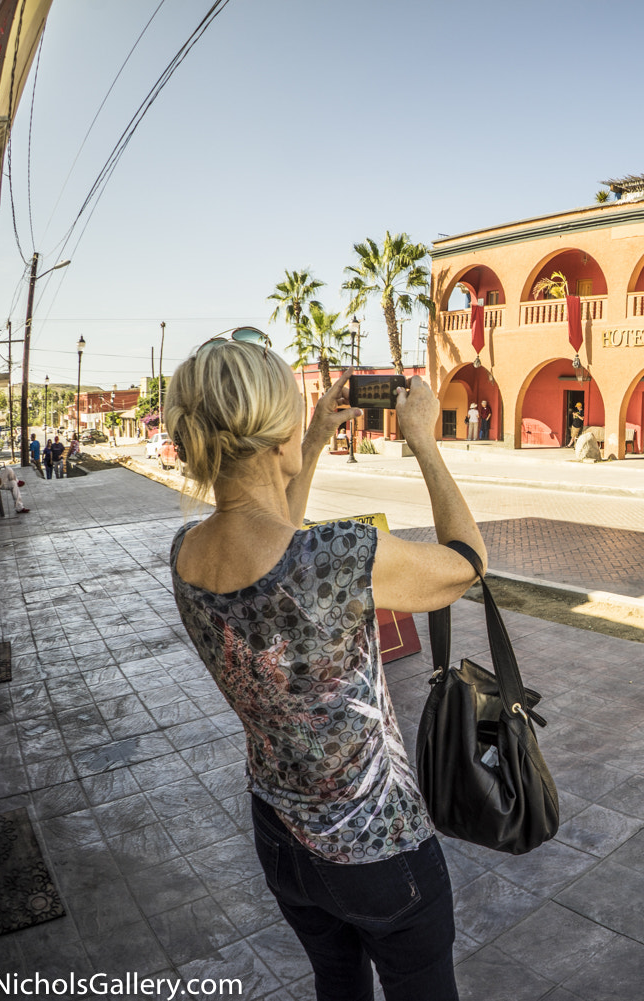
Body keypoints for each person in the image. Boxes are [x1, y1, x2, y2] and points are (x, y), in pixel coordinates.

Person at [166, 338, 484, 1000]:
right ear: (275, 430)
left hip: (280, 838)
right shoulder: (338, 555)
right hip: (381, 849)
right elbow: (464, 562)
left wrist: (310, 445)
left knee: (338, 984)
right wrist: (424, 441)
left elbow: (274, 539)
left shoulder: (187, 556)